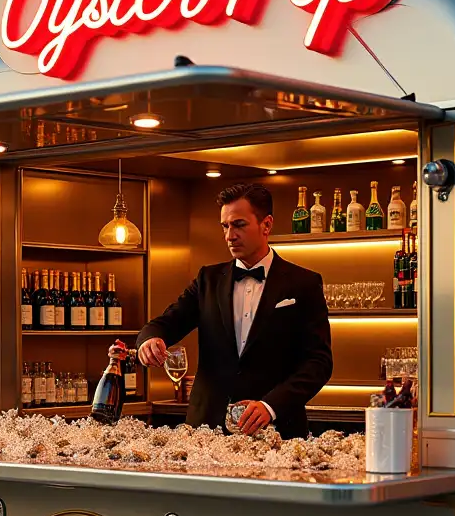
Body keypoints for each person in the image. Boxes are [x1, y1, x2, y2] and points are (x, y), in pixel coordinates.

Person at [135, 183, 332, 439]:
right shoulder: (208, 279)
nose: (229, 235)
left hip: (277, 432)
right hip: (206, 432)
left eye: (238, 225)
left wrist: (270, 406)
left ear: (267, 225)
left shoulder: (303, 283)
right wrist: (149, 339)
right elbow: (166, 323)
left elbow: (319, 363)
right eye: (225, 226)